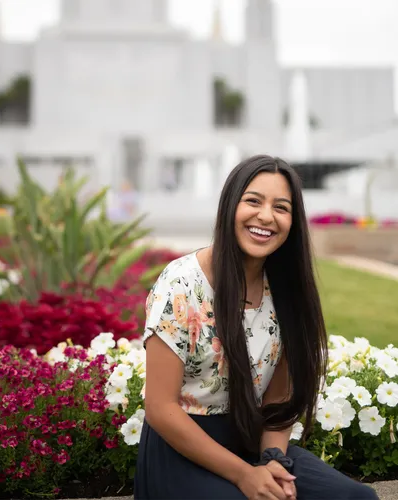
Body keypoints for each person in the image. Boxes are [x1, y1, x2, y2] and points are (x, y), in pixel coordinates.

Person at [134, 155, 378, 500]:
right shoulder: (181, 284)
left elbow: (278, 398)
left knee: (356, 498)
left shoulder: (286, 288)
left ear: (293, 221)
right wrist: (244, 475)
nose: (266, 216)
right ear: (230, 205)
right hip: (180, 450)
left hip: (251, 442)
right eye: (253, 201)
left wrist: (273, 458)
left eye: (281, 207)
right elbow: (160, 409)